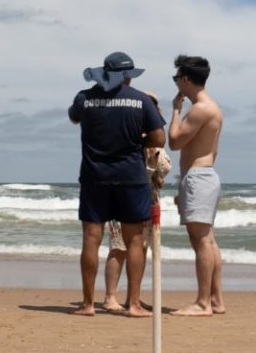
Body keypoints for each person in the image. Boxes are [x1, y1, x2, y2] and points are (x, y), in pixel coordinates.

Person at [68, 52, 165, 317]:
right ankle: (133, 304)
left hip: (94, 176)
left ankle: (88, 304)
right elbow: (159, 138)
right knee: (134, 241)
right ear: (127, 76)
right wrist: (136, 141)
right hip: (130, 177)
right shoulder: (141, 100)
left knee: (91, 238)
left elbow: (74, 117)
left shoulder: (84, 97)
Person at [168, 54, 225, 316]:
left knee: (201, 241)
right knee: (208, 240)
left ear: (186, 79)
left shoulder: (200, 108)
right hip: (204, 176)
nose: (176, 83)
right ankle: (215, 300)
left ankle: (203, 303)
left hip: (199, 178)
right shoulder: (211, 107)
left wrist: (176, 110)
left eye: (176, 78)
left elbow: (175, 141)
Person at [103, 93, 171, 312]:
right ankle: (111, 296)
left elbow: (163, 169)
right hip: (127, 195)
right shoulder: (131, 137)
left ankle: (133, 297)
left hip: (147, 200)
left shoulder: (153, 142)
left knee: (138, 249)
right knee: (120, 247)